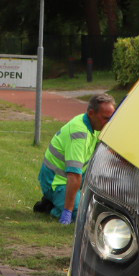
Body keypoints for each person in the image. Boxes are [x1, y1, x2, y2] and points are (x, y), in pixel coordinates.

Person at [36, 92, 116, 224]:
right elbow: (74, 175)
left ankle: (60, 202)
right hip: (56, 181)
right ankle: (51, 207)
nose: (109, 123)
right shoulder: (79, 135)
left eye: (111, 118)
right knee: (80, 215)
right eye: (105, 118)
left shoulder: (94, 124)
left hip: (71, 176)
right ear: (91, 113)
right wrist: (68, 211)